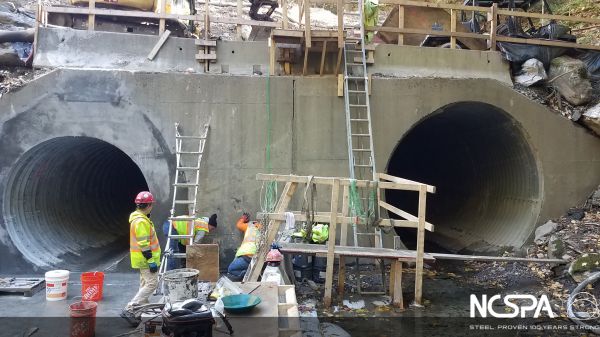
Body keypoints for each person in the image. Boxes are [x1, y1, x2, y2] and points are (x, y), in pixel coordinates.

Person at [121, 191, 161, 326]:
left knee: (144, 283)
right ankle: (130, 308)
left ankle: (140, 311)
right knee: (152, 284)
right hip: (145, 259)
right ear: (149, 205)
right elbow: (144, 243)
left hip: (141, 259)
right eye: (151, 205)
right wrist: (151, 261)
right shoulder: (141, 222)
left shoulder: (138, 219)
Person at [227, 212, 261, 281]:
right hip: (257, 257)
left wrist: (243, 219)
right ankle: (248, 271)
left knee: (230, 270)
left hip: (246, 255)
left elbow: (239, 225)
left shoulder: (248, 226)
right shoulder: (261, 227)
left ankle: (245, 273)